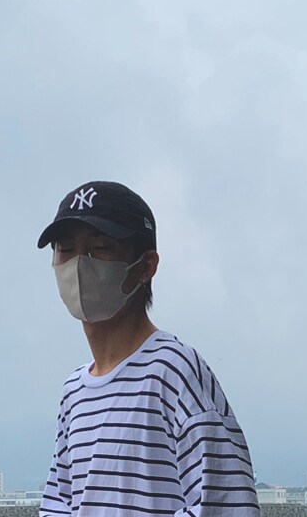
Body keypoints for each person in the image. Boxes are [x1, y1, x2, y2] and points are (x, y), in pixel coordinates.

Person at [37, 181, 259, 516]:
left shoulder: (173, 370)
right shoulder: (74, 393)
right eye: (66, 249)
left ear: (146, 266)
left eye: (100, 247)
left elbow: (226, 505)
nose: (79, 264)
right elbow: (58, 504)